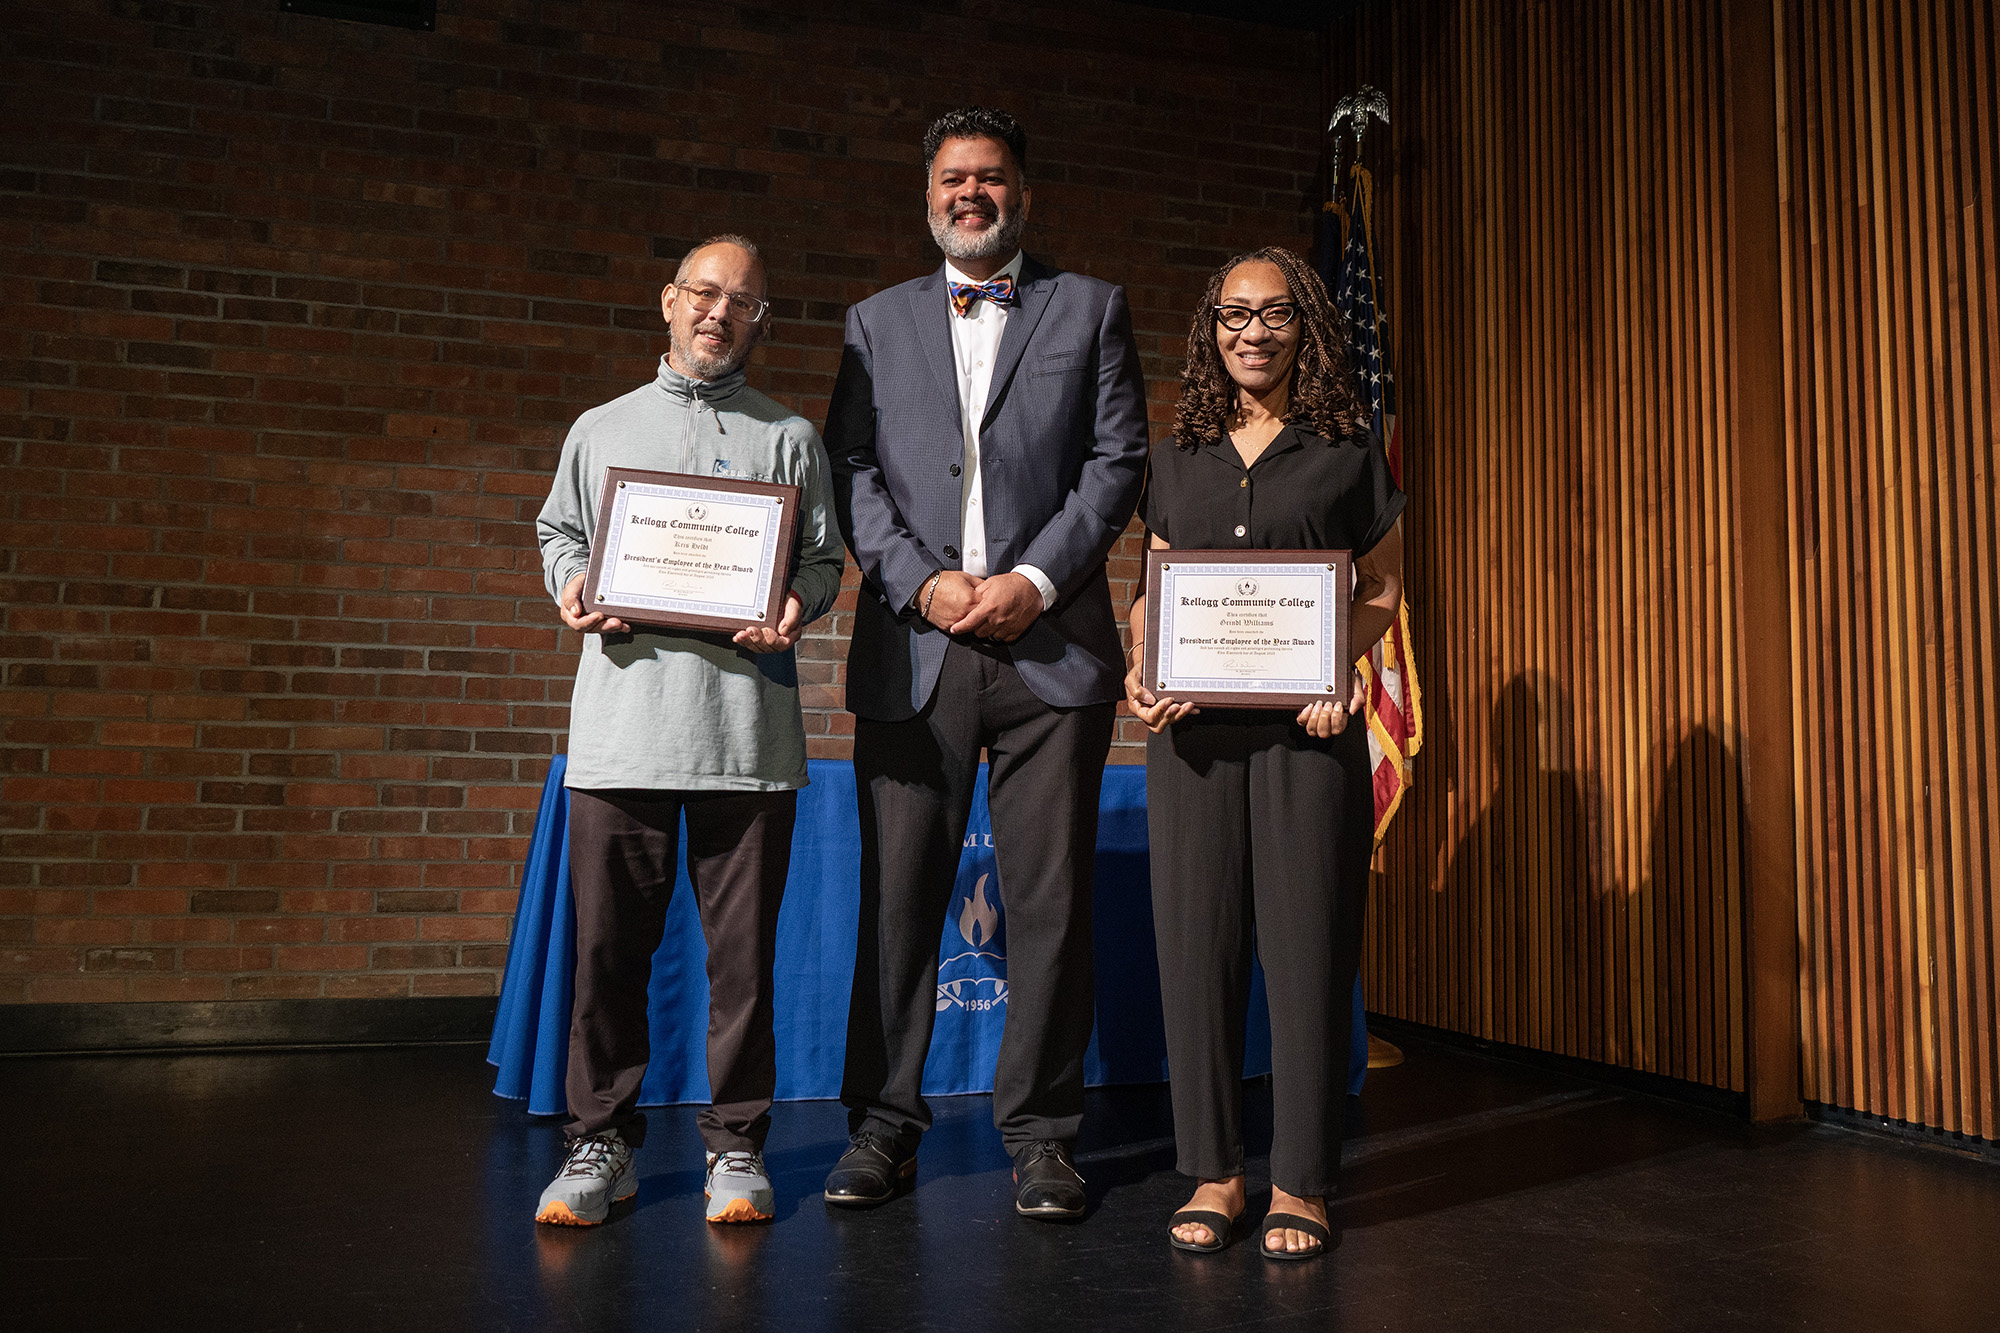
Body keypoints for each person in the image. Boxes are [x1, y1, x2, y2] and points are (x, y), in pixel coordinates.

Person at [822, 106, 1149, 1221]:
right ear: (928, 198)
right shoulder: (873, 322)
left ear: (1024, 194)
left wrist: (1037, 581)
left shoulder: (1090, 307)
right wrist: (922, 583)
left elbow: (1116, 461)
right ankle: (882, 1123)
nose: (973, 192)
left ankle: (1043, 1135)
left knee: (1049, 902)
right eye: (954, 178)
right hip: (915, 647)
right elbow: (851, 470)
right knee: (898, 899)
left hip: (1050, 652)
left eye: (993, 176)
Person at [531, 236, 846, 1227]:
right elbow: (559, 533)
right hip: (622, 736)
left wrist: (795, 601)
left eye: (742, 301)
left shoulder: (789, 437)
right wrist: (572, 584)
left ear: (761, 321)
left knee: (741, 969)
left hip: (745, 742)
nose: (719, 312)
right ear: (668, 300)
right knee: (605, 959)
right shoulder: (600, 428)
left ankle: (736, 1147)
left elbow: (824, 561)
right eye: (704, 293)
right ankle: (600, 1142)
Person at [1124, 246, 1405, 1260]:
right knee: (1195, 952)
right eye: (1234, 314)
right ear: (1211, 329)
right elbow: (1153, 591)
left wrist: (1336, 668)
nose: (1253, 331)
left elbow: (1381, 590)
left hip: (1308, 740)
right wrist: (1142, 666)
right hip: (1192, 741)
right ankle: (1213, 1170)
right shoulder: (1174, 458)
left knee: (1307, 955)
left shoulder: (1346, 451)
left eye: (1275, 313)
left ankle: (1300, 1180)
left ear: (1306, 328)